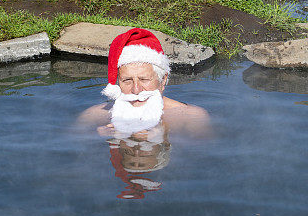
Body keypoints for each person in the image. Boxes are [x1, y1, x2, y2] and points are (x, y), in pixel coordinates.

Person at [77, 28, 211, 137]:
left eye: (144, 79)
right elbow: (74, 150)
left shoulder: (192, 117)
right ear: (118, 82)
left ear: (163, 80)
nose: (136, 90)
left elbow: (201, 160)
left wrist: (164, 136)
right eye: (127, 80)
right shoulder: (94, 116)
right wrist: (96, 138)